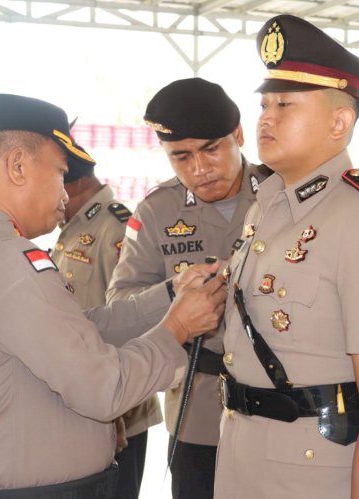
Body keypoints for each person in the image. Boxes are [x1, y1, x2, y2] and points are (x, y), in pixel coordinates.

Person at [0, 93, 227, 499]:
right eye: (59, 172)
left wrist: (171, 293)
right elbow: (105, 388)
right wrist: (178, 326)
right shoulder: (5, 260)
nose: (65, 193)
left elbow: (79, 329)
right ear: (17, 166)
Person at [213, 15, 359, 499]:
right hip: (242, 463)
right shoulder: (267, 206)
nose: (266, 117)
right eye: (265, 103)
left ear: (340, 121)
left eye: (286, 104)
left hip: (316, 477)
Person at [105, 77, 271, 499]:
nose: (199, 168)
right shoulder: (158, 211)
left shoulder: (281, 194)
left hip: (280, 407)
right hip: (197, 409)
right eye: (181, 157)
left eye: (211, 148)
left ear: (237, 135)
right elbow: (120, 305)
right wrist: (175, 293)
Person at [50, 144, 160, 499]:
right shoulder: (75, 224)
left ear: (73, 183)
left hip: (118, 416)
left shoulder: (116, 228)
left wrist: (116, 413)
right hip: (85, 407)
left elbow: (134, 321)